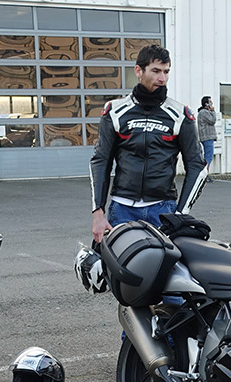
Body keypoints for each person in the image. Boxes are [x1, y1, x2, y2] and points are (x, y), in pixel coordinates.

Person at [89, 45, 207, 244]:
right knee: (118, 272)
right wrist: (98, 213)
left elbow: (198, 166)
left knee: (165, 272)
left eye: (166, 71)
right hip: (122, 209)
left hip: (163, 209)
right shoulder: (115, 111)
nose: (162, 78)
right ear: (138, 71)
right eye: (155, 71)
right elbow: (101, 161)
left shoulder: (181, 115)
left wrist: (180, 213)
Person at [197, 96, 217, 167]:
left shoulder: (204, 112)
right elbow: (213, 120)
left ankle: (205, 174)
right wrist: (212, 111)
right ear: (206, 104)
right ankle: (204, 174)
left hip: (207, 137)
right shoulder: (204, 112)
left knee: (208, 156)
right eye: (210, 102)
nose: (212, 103)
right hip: (207, 137)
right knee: (208, 157)